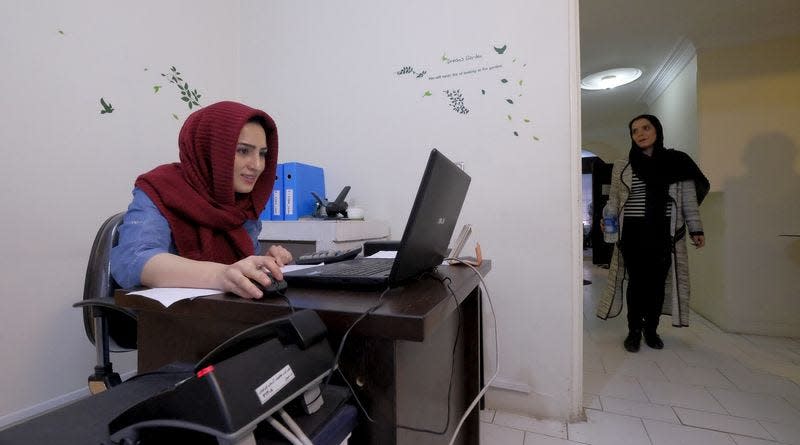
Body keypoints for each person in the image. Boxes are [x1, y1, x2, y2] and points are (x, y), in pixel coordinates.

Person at [110, 101, 292, 300]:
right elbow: (134, 260)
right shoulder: (160, 187)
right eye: (243, 151)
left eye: (263, 154)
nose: (257, 165)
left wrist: (264, 264)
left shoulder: (242, 204)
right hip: (164, 321)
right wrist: (220, 274)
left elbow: (238, 268)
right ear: (211, 149)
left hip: (227, 315)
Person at [596, 114, 709, 352]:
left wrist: (695, 228)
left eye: (645, 128)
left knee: (657, 285)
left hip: (662, 234)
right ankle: (634, 331)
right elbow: (615, 199)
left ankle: (652, 330)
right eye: (635, 131)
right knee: (636, 284)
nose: (640, 134)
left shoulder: (678, 161)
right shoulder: (623, 165)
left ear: (657, 130)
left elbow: (688, 200)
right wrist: (607, 219)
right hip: (632, 234)